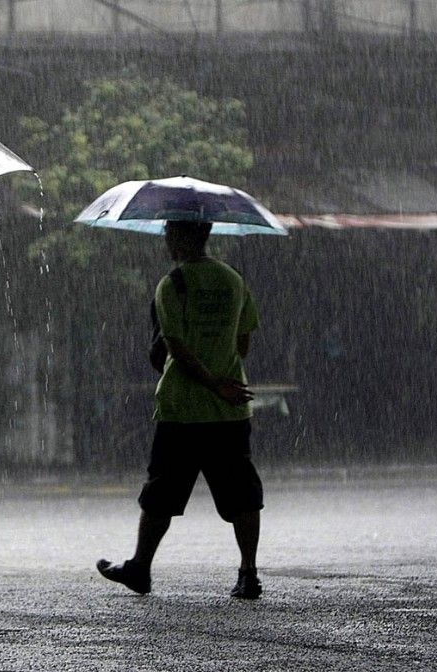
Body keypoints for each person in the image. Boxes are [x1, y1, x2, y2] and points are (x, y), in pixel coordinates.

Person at [97, 220, 264, 600]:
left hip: (182, 409)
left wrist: (207, 380)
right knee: (242, 493)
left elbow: (175, 347)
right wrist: (222, 375)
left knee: (162, 493)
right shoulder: (233, 279)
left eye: (171, 234)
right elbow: (244, 342)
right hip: (229, 411)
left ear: (185, 237)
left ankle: (141, 568)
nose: (167, 241)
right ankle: (248, 573)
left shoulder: (172, 284)